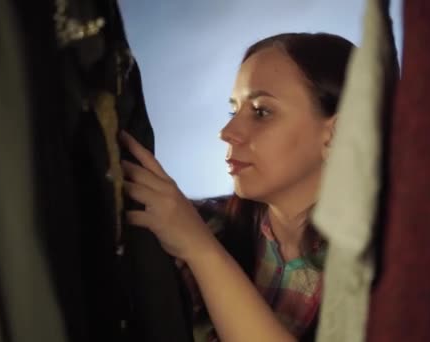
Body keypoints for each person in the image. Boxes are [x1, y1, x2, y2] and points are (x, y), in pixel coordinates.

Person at [120, 32, 354, 342]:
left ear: (335, 133)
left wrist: (202, 251)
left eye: (260, 111)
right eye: (234, 110)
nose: (227, 132)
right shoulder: (198, 222)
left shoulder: (393, 269)